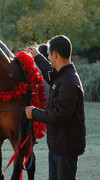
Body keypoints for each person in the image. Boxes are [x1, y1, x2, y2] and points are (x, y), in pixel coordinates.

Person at [25, 35, 86, 180]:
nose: (48, 58)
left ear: (55, 54)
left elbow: (59, 116)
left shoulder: (68, 82)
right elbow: (49, 73)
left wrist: (34, 113)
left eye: (48, 55)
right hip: (58, 146)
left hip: (66, 148)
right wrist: (37, 56)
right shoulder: (61, 74)